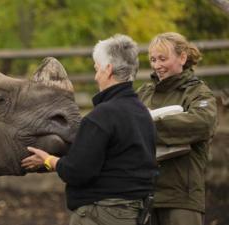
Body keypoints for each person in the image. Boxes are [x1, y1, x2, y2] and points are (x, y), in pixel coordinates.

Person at [22, 34, 158, 225]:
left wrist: (48, 160)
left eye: (97, 69)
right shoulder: (142, 112)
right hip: (135, 212)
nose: (96, 77)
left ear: (108, 69)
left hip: (102, 212)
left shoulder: (102, 116)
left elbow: (78, 171)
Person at [136, 32, 218, 225]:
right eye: (153, 60)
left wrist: (147, 127)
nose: (157, 65)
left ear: (182, 57)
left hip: (182, 198)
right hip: (143, 195)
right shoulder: (143, 93)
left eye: (163, 59)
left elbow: (203, 123)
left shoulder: (198, 92)